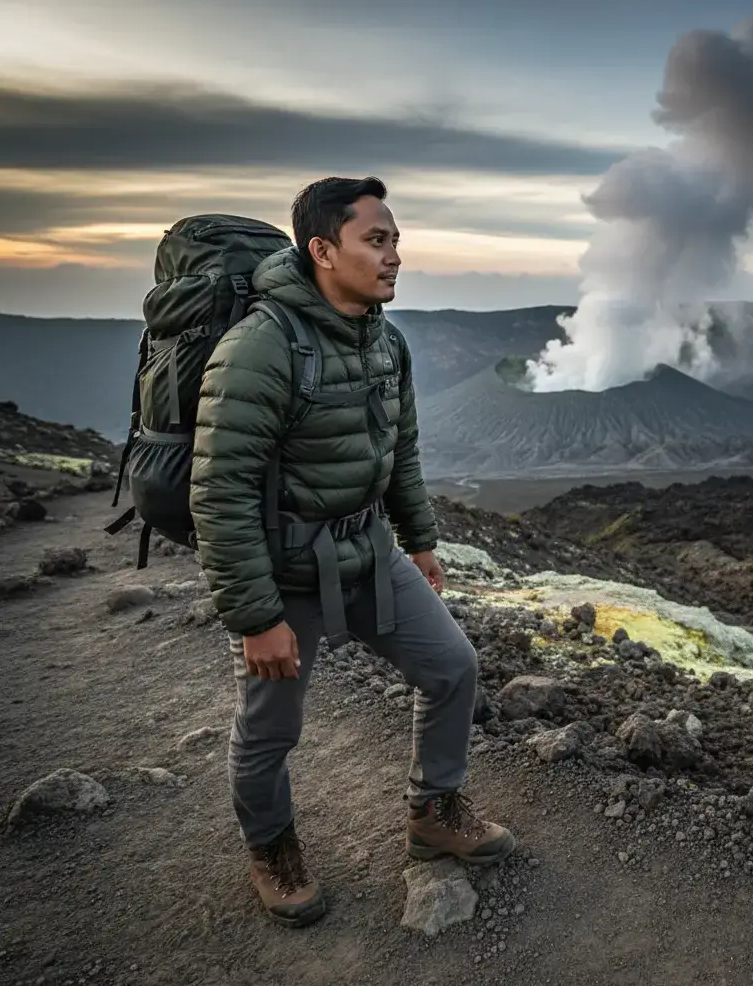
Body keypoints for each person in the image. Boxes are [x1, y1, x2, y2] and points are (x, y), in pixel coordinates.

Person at [188, 176, 515, 929]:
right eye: (378, 240)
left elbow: (400, 452)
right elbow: (221, 492)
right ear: (323, 250)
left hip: (368, 551)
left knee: (453, 667)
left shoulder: (382, 340)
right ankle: (271, 848)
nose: (395, 255)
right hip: (285, 570)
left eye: (396, 240)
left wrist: (421, 541)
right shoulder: (261, 347)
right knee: (272, 725)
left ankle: (433, 809)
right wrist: (255, 615)